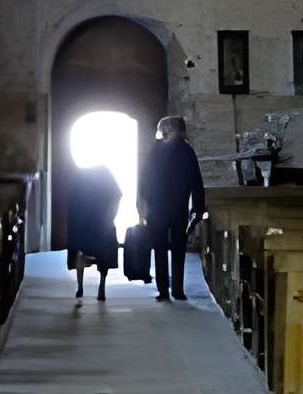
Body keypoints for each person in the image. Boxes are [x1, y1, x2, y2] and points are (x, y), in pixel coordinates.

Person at [137, 113, 205, 304]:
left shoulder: (161, 150)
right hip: (174, 206)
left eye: (167, 127)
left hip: (161, 206)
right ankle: (174, 290)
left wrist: (144, 200)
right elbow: (196, 182)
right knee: (174, 249)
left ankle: (167, 289)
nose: (165, 131)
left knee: (165, 248)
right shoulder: (184, 150)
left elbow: (195, 181)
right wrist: (197, 208)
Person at [64, 129, 123, 301]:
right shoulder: (104, 172)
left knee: (80, 252)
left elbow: (71, 199)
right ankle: (101, 286)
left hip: (82, 221)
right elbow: (117, 194)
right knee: (103, 253)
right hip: (101, 220)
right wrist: (111, 215)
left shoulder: (78, 173)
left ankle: (80, 286)